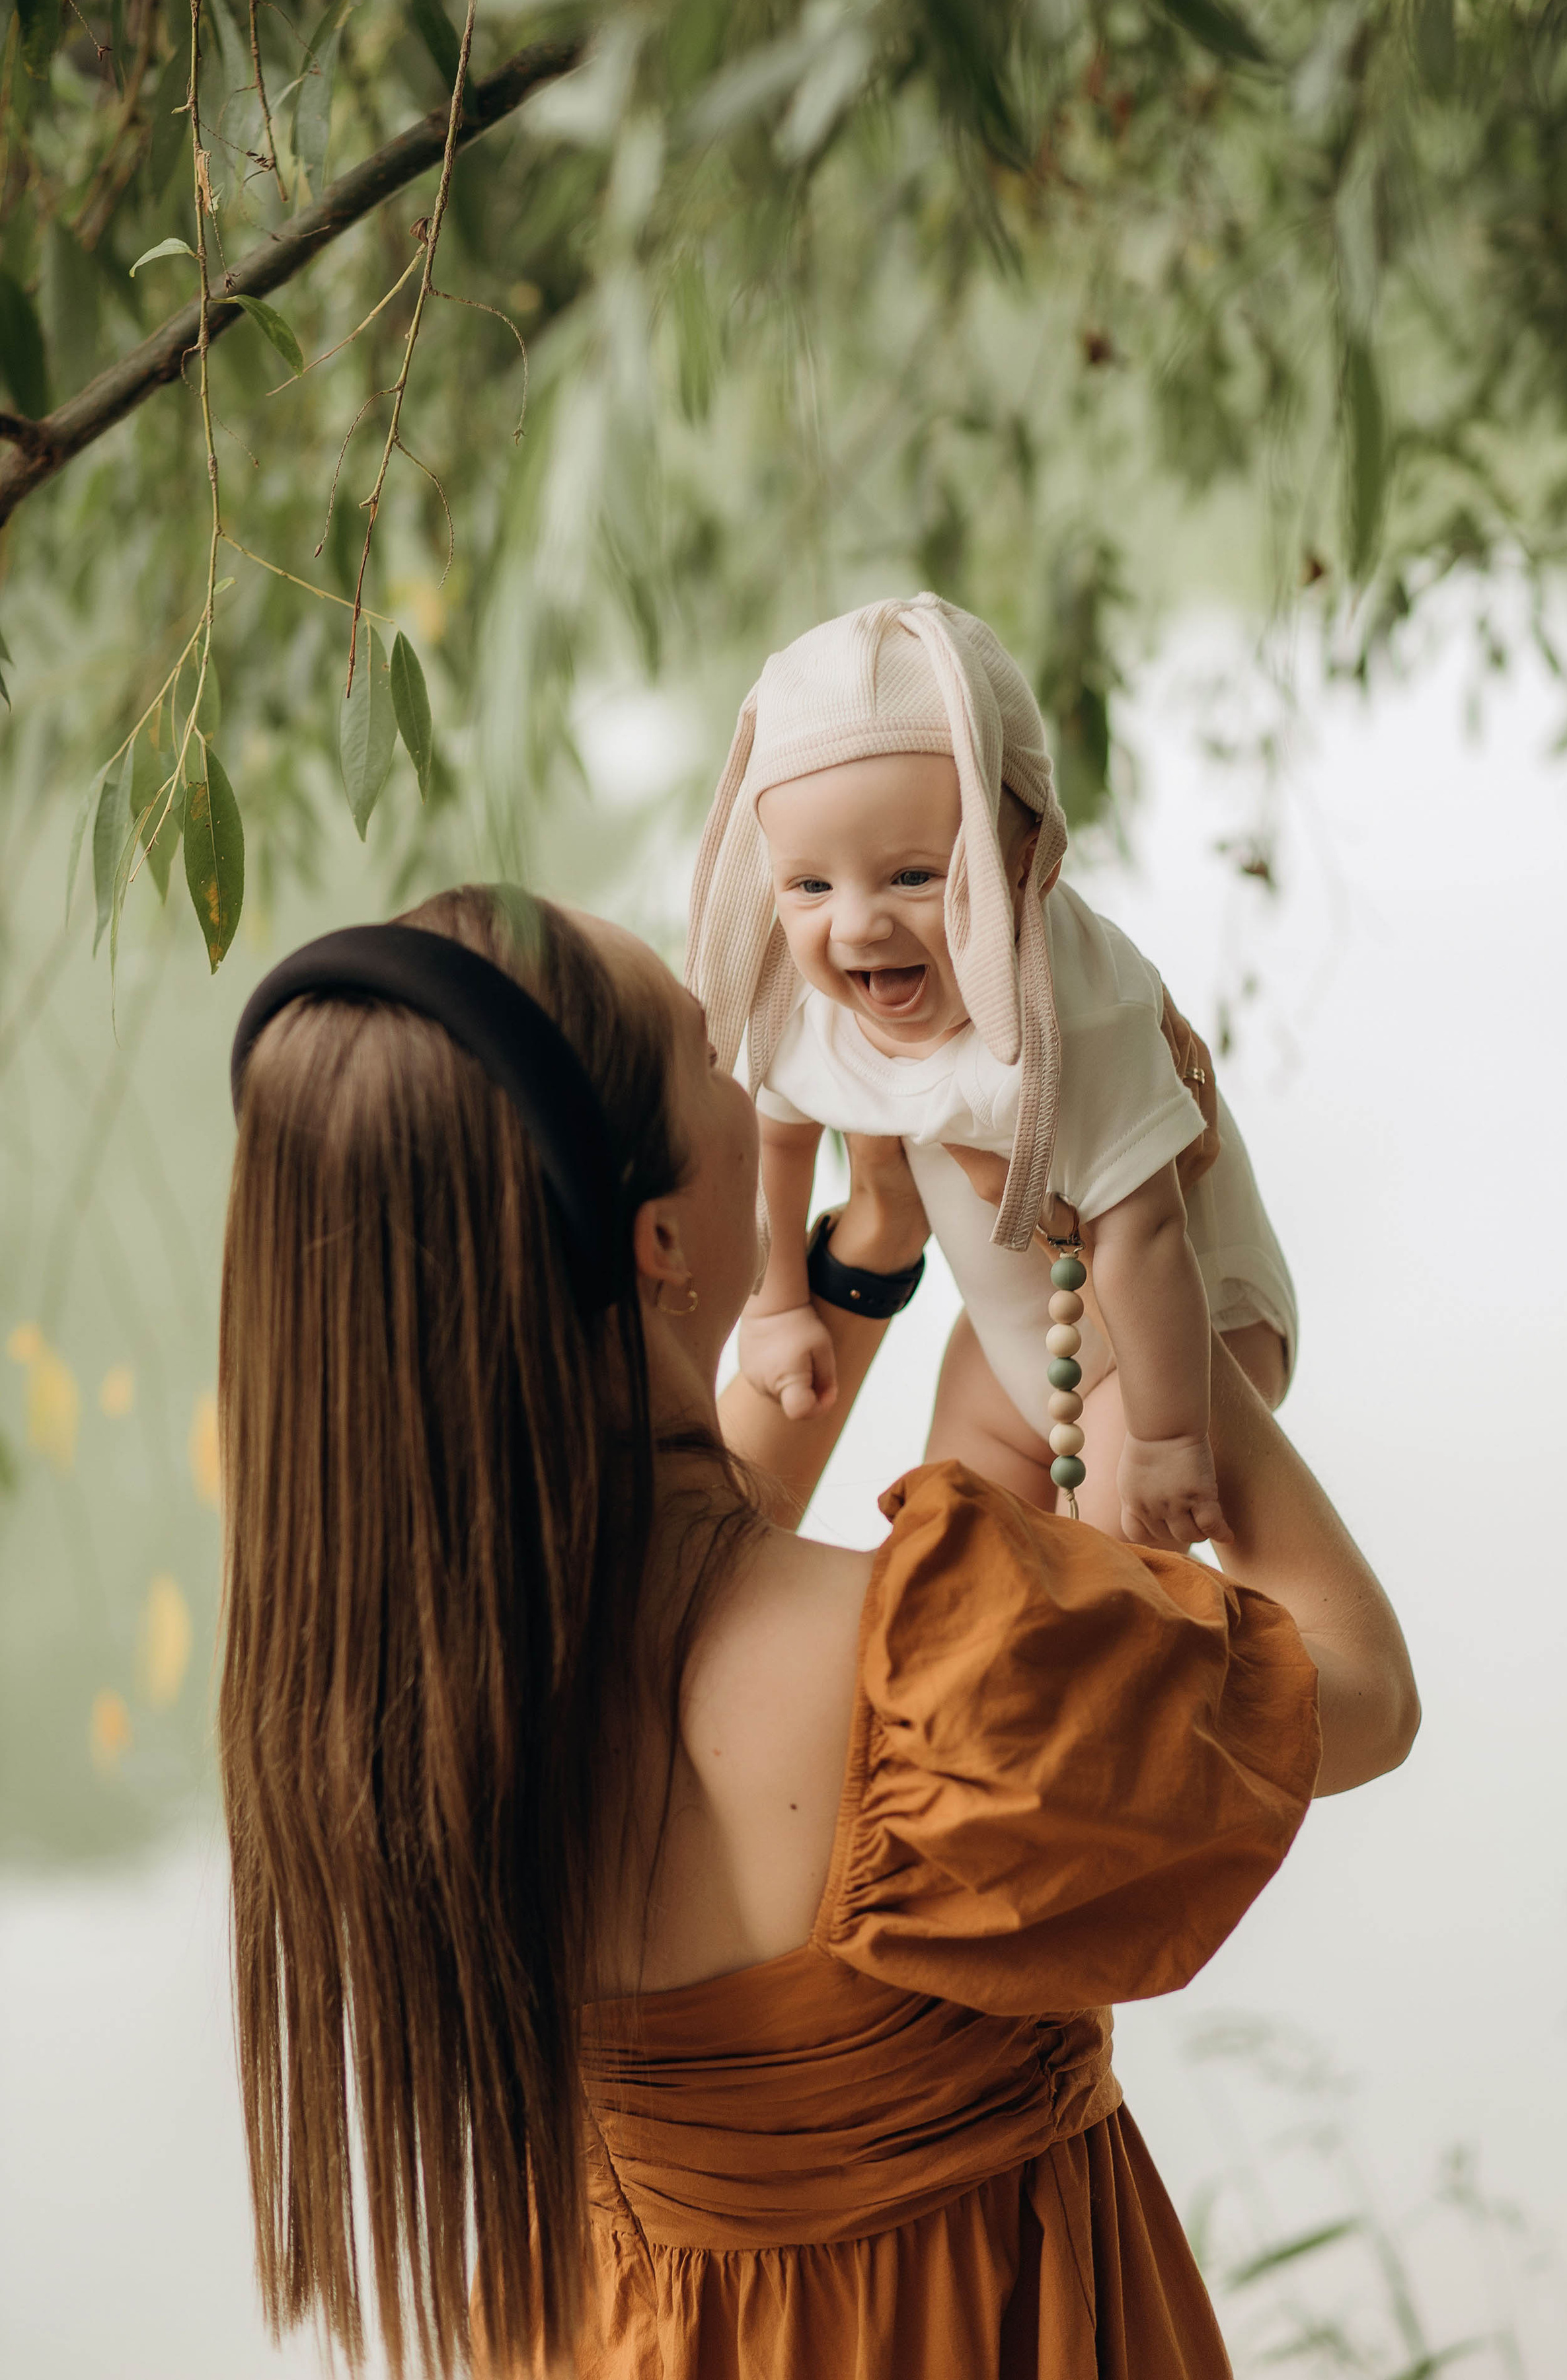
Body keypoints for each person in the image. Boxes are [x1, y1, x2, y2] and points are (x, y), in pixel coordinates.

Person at [217, 883, 1418, 2380]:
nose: (764, 1055)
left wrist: (867, 1243)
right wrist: (1140, 1269)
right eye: (704, 1039)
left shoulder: (391, 1697)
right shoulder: (918, 1663)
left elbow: (694, 1518)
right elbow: (1359, 1689)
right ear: (660, 1237)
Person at [685, 591, 1299, 1552]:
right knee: (954, 1536)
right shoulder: (811, 1001)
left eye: (914, 876)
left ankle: (1156, 1476)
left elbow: (1143, 1234)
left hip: (1183, 1323)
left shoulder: (1085, 1013)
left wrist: (1172, 1434)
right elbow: (777, 1131)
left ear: (1031, 862)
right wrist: (775, 1307)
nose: (856, 925)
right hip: (1022, 1329)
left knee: (1084, 1584)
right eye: (810, 884)